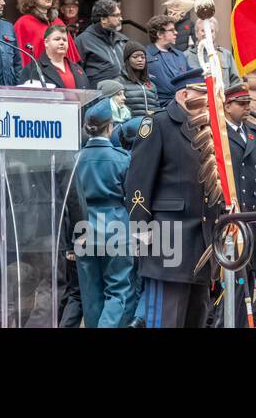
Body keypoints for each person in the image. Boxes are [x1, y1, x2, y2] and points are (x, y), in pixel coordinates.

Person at [124, 68, 216, 328]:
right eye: (202, 93)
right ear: (183, 95)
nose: (208, 100)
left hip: (201, 241)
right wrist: (140, 228)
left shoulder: (209, 129)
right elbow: (138, 182)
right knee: (165, 318)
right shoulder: (157, 124)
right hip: (167, 239)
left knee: (195, 317)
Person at [74, 97, 136, 328]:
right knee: (120, 289)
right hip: (115, 225)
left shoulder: (75, 159)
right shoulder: (122, 158)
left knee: (91, 292)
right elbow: (131, 196)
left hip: (83, 227)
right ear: (110, 127)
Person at [222, 81, 256, 323]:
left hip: (255, 220)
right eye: (241, 104)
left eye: (248, 104)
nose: (246, 108)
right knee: (231, 289)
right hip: (231, 222)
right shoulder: (219, 134)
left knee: (253, 284)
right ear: (226, 105)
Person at [13, 0, 79, 67]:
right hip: (37, 76)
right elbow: (19, 60)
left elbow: (72, 59)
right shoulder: (23, 23)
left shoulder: (58, 22)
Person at [76, 0, 127, 88]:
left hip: (123, 94)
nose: (121, 19)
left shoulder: (122, 40)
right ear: (103, 19)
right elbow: (77, 74)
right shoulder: (83, 41)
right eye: (117, 15)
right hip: (98, 96)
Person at [183, 17, 241, 90]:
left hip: (223, 99)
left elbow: (236, 82)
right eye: (203, 30)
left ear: (215, 34)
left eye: (211, 31)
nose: (207, 34)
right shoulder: (186, 56)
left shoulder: (226, 55)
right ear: (197, 33)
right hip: (198, 99)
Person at [19, 23, 85, 87]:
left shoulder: (78, 68)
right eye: (57, 39)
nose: (62, 42)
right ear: (46, 42)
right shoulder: (32, 69)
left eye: (64, 40)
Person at [144, 15, 190, 107]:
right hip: (159, 108)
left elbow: (189, 77)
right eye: (171, 30)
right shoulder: (145, 55)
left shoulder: (180, 55)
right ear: (160, 34)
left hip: (183, 105)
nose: (176, 33)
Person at [118, 41, 157, 116]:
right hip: (130, 126)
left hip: (151, 125)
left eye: (143, 57)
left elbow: (157, 108)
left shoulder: (151, 85)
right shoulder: (119, 83)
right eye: (135, 57)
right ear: (127, 60)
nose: (140, 60)